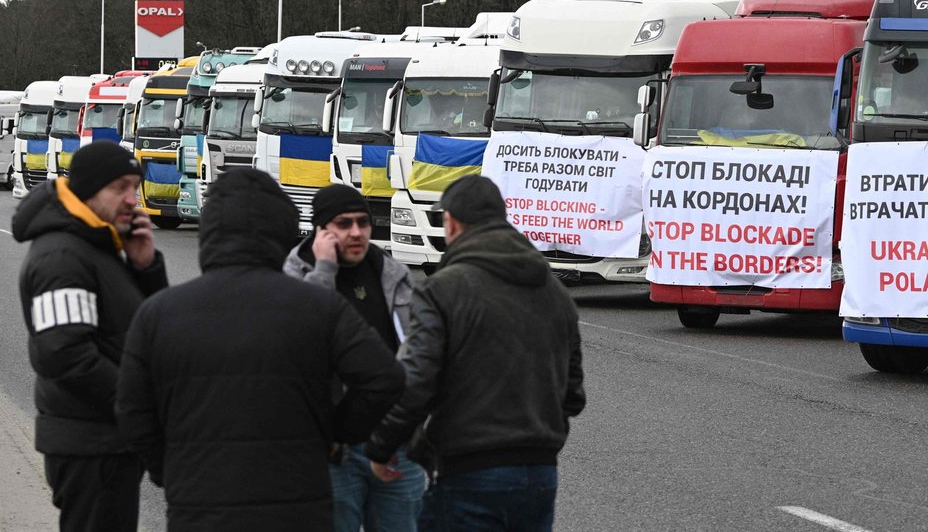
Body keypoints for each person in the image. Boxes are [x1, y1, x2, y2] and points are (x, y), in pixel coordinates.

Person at [114, 168, 406, 532]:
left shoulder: (158, 314)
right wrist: (333, 432)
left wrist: (167, 468)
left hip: (199, 505)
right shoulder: (318, 307)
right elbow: (386, 378)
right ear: (282, 230)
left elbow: (131, 411)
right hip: (299, 504)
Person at [364, 174, 586, 531]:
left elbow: (416, 379)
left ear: (451, 222)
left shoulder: (442, 290)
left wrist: (382, 444)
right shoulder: (554, 292)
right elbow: (572, 395)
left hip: (469, 469)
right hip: (540, 471)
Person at [14, 140, 168, 532]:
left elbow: (150, 330)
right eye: (120, 187)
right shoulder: (62, 258)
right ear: (88, 190)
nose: (133, 199)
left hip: (108, 439)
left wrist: (146, 268)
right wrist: (136, 405)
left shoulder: (97, 245)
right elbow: (64, 356)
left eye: (135, 187)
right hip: (89, 445)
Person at [284, 183, 424, 532]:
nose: (357, 233)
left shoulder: (391, 273)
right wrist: (325, 271)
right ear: (321, 230)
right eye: (344, 224)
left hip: (396, 444)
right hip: (333, 451)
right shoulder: (294, 276)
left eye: (363, 222)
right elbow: (304, 345)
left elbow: (417, 352)